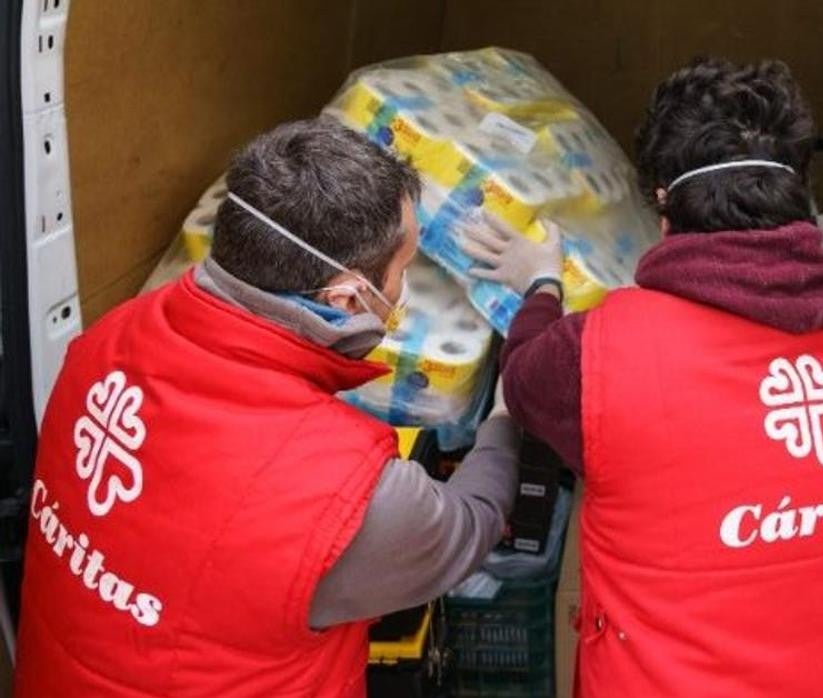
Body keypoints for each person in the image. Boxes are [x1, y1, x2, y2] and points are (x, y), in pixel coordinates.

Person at [465, 58, 823, 697]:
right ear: (799, 197)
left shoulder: (600, 355)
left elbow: (523, 383)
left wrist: (541, 282)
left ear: (663, 206)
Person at [16, 118, 519, 697]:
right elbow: (468, 524)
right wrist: (505, 417)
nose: (403, 291)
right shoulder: (351, 498)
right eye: (403, 271)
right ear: (346, 298)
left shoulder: (106, 339)